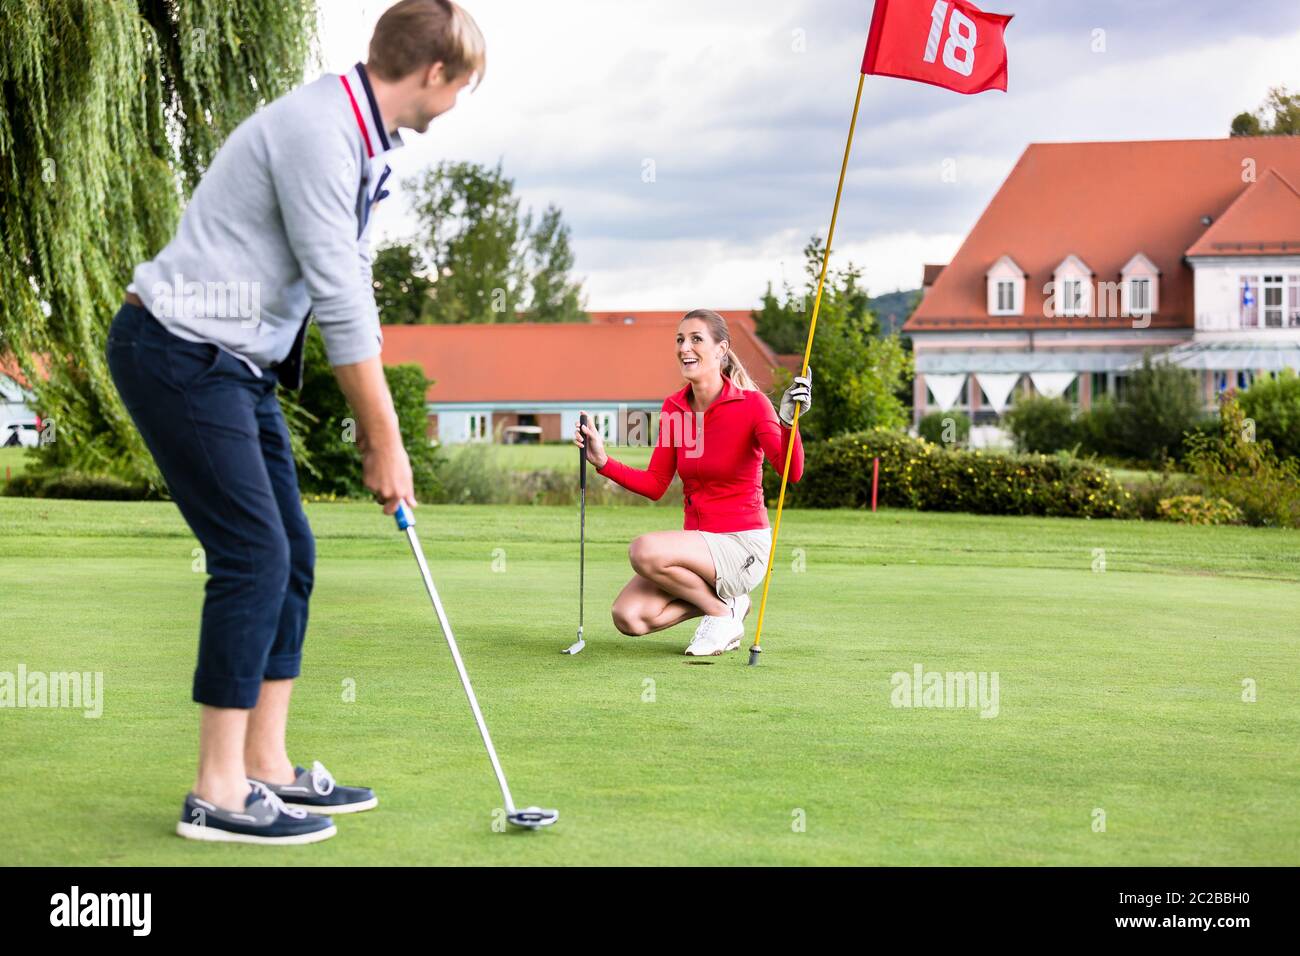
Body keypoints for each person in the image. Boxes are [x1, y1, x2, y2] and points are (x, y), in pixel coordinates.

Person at [105, 0, 486, 845]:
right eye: (463, 86)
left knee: (293, 556)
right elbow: (340, 298)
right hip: (176, 349)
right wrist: (384, 441)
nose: (459, 103)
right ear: (433, 74)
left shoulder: (357, 136)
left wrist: (375, 426)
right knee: (254, 553)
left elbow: (346, 282)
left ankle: (264, 766)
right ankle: (216, 792)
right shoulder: (321, 130)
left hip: (235, 366)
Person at [575, 309, 812, 656]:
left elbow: (790, 471)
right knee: (628, 617)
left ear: (721, 349)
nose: (685, 347)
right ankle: (731, 606)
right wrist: (603, 461)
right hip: (698, 550)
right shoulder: (675, 408)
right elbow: (656, 484)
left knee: (644, 550)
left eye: (696, 339)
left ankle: (720, 611)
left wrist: (789, 421)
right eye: (680, 340)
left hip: (741, 546)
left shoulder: (752, 405)